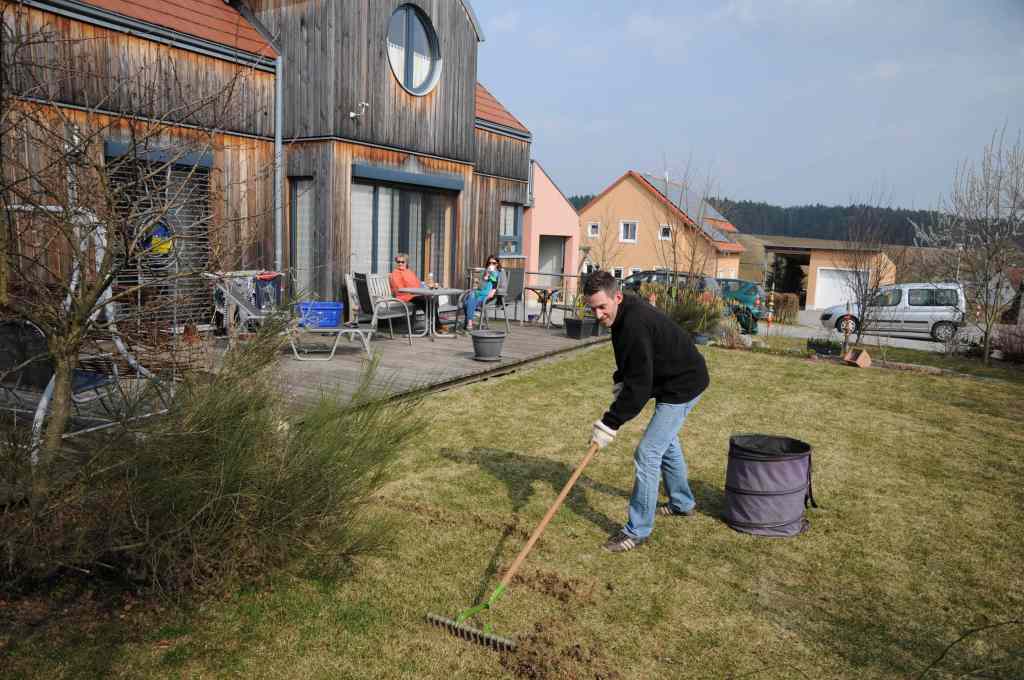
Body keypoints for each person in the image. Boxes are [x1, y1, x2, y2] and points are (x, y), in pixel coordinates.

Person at [584, 270, 710, 553]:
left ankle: (637, 530)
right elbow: (630, 359)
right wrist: (621, 380)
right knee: (666, 443)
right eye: (592, 308)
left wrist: (609, 424)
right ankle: (682, 504)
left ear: (617, 296)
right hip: (667, 378)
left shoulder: (635, 322)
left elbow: (639, 389)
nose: (597, 315)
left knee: (648, 453)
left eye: (602, 307)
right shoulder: (621, 315)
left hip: (683, 384)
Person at [388, 253, 436, 329]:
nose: (400, 263)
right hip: (404, 296)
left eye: (402, 262)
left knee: (432, 299)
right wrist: (415, 291)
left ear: (406, 263)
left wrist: (427, 286)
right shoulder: (395, 273)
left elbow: (418, 283)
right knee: (424, 300)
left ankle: (435, 325)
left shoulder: (409, 272)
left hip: (414, 294)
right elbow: (399, 288)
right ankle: (437, 326)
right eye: (398, 262)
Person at [462, 255, 501, 331]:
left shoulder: (499, 273)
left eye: (494, 263)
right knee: (470, 298)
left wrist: (494, 291)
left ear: (497, 264)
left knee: (467, 302)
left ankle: (469, 322)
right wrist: (486, 275)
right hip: (480, 291)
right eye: (490, 263)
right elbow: (479, 284)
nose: (491, 264)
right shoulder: (485, 271)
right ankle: (470, 321)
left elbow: (499, 284)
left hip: (488, 295)